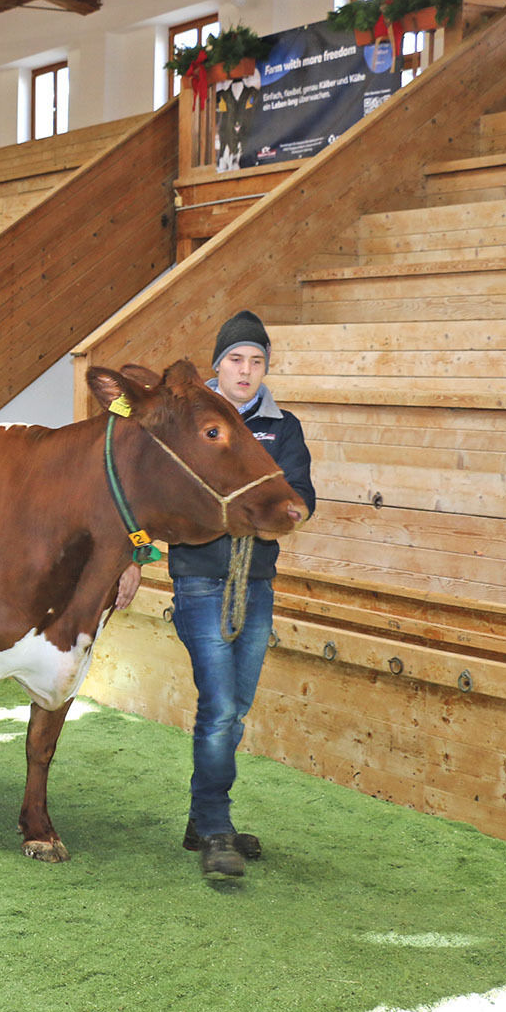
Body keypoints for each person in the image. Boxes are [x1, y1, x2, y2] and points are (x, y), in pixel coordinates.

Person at [165, 309, 315, 879]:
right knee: (221, 707)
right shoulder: (191, 423)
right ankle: (216, 827)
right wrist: (253, 508)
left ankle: (203, 818)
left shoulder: (285, 427)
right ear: (218, 366)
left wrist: (250, 509)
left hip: (256, 580)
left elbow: (298, 500)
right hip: (200, 579)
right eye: (235, 359)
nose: (246, 370)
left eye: (256, 361)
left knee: (237, 709)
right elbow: (182, 499)